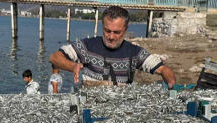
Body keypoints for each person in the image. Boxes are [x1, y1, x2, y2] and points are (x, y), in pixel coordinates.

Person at [48, 6, 176, 89]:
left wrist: (170, 82)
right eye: (107, 30)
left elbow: (163, 69)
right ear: (102, 26)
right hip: (89, 106)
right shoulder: (87, 46)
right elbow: (54, 58)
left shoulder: (134, 52)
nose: (111, 36)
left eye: (116, 32)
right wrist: (72, 66)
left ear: (126, 29)